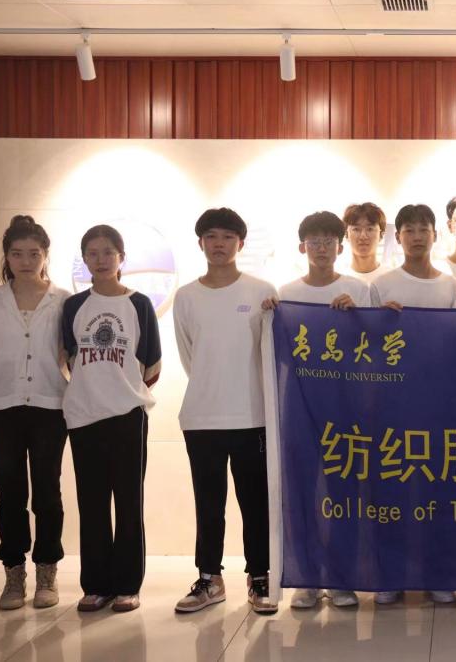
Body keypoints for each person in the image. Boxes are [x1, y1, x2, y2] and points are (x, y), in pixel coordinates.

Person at [172, 208, 278, 616]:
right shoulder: (186, 296)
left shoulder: (261, 291)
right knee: (208, 504)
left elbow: (271, 351)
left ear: (240, 243)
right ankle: (209, 578)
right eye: (212, 236)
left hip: (253, 415)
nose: (219, 244)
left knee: (255, 502)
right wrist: (212, 386)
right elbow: (190, 356)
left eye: (228, 237)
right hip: (202, 417)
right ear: (201, 242)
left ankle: (260, 576)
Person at [263, 211, 370, 608]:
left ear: (340, 247)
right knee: (302, 489)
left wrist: (357, 316)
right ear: (302, 246)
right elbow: (280, 353)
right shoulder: (287, 293)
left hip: (347, 402)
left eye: (329, 241)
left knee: (345, 491)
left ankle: (341, 577)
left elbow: (377, 346)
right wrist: (271, 316)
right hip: (300, 403)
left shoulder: (358, 290)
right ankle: (307, 577)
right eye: (314, 241)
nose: (321, 248)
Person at [62, 224, 162, 613]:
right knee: (92, 503)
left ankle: (127, 585)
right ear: (84, 259)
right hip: (83, 416)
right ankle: (96, 585)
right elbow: (70, 358)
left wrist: (120, 391)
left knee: (128, 502)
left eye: (108, 252)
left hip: (127, 416)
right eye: (92, 253)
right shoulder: (74, 306)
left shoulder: (139, 305)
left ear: (122, 257)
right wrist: (94, 390)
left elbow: (151, 365)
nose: (101, 260)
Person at [0, 216, 70, 610]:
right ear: (7, 257)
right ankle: (14, 574)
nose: (26, 261)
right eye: (17, 254)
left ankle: (47, 570)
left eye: (34, 253)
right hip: (3, 408)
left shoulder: (63, 300)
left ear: (45, 255)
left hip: (50, 406)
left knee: (47, 491)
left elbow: (67, 354)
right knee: (10, 493)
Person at [369, 203, 456, 605]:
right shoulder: (381, 286)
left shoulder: (452, 286)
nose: (417, 237)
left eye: (424, 229)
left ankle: (438, 573)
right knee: (393, 491)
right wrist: (377, 322)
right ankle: (391, 575)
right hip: (392, 404)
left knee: (437, 490)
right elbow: (365, 346)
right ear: (398, 237)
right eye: (409, 230)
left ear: (435, 235)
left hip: (440, 403)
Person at [341, 202, 389, 285]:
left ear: (381, 235)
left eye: (370, 229)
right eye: (356, 229)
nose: (363, 236)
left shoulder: (392, 278)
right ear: (346, 234)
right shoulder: (338, 279)